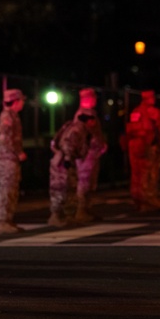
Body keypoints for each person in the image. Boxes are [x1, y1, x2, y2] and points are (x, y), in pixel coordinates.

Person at [48, 109, 92, 227]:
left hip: (64, 160)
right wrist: (67, 158)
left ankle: (67, 216)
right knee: (60, 188)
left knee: (70, 187)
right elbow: (68, 144)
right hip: (63, 161)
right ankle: (56, 216)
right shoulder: (77, 129)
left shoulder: (73, 127)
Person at [0, 89, 27, 234]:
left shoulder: (13, 116)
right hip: (7, 158)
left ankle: (8, 220)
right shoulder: (7, 116)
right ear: (16, 101)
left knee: (11, 190)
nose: (23, 103)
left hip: (10, 158)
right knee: (7, 190)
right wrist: (18, 152)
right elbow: (5, 138)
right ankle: (4, 221)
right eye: (21, 101)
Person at [74, 88, 107, 223]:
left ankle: (86, 209)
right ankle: (81, 210)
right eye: (92, 97)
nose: (95, 100)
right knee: (84, 182)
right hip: (86, 155)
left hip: (93, 154)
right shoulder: (82, 115)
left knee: (90, 182)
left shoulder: (91, 113)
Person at [125, 90, 160, 210]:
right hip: (143, 144)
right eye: (152, 97)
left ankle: (139, 198)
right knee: (145, 173)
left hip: (139, 144)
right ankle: (144, 199)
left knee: (138, 173)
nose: (154, 99)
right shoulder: (145, 111)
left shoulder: (139, 111)